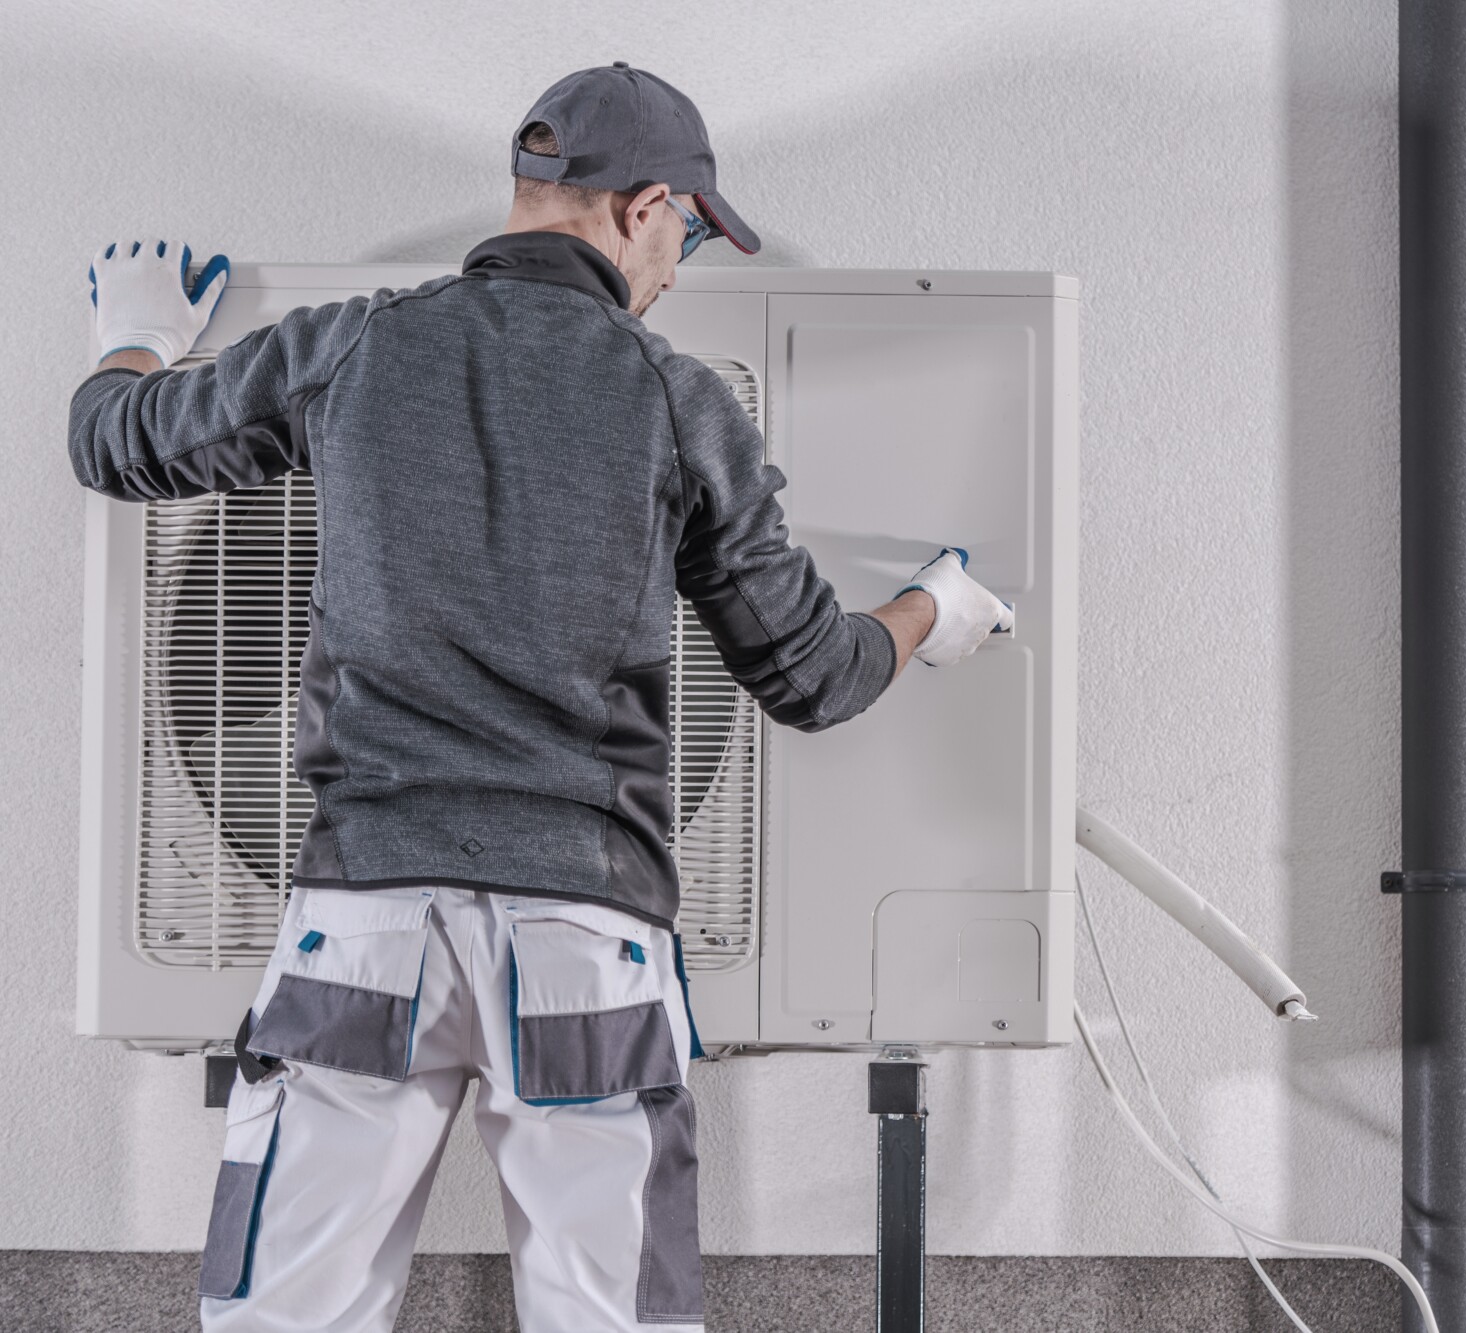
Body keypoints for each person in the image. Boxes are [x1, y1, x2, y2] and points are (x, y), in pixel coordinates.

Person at [69, 63, 1010, 1333]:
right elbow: (813, 675)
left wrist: (133, 333)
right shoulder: (679, 401)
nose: (677, 267)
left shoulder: (349, 344)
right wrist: (932, 613)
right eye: (685, 233)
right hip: (586, 940)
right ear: (644, 206)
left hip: (363, 922)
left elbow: (114, 441)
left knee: (281, 1316)